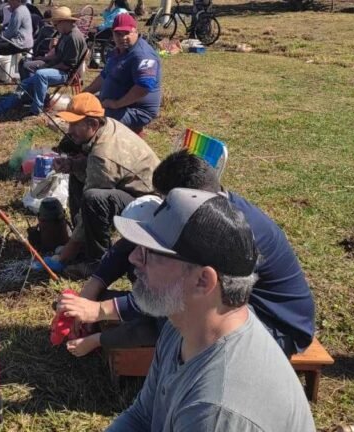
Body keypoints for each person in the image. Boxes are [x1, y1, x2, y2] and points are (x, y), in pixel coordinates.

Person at [57, 150, 316, 358]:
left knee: (171, 317)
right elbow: (129, 245)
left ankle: (107, 338)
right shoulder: (205, 210)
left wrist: (100, 311)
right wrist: (92, 289)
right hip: (232, 303)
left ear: (192, 197)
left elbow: (180, 290)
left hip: (278, 325)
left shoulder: (222, 232)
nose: (162, 207)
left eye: (167, 201)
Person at [104, 187, 316, 431]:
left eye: (150, 253)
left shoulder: (216, 412)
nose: (133, 259)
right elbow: (143, 416)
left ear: (203, 281)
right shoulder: (184, 325)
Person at [36, 93, 159, 276]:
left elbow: (93, 198)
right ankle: (82, 244)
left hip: (148, 205)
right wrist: (72, 165)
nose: (69, 130)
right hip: (129, 189)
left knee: (94, 199)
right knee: (80, 177)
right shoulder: (105, 124)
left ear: (93, 124)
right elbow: (91, 167)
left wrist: (63, 257)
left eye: (75, 125)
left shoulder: (103, 155)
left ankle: (96, 263)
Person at [83, 14, 161, 133]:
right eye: (118, 34)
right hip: (113, 103)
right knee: (82, 107)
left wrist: (116, 104)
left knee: (90, 120)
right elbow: (104, 76)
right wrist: (86, 92)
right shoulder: (118, 51)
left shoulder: (143, 55)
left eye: (126, 33)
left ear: (136, 31)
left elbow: (143, 87)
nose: (122, 37)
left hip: (136, 110)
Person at [14, 7, 86, 116]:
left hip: (66, 73)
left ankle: (36, 109)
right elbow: (57, 54)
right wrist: (43, 58)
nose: (54, 27)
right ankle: (30, 95)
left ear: (64, 22)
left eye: (55, 24)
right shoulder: (65, 34)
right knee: (25, 64)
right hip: (57, 66)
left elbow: (68, 65)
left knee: (41, 74)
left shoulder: (73, 38)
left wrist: (48, 67)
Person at [0, 0, 34, 83]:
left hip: (20, 43)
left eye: (10, 1)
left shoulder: (18, 12)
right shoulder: (23, 8)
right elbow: (12, 27)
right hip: (26, 42)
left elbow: (11, 32)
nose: (9, 3)